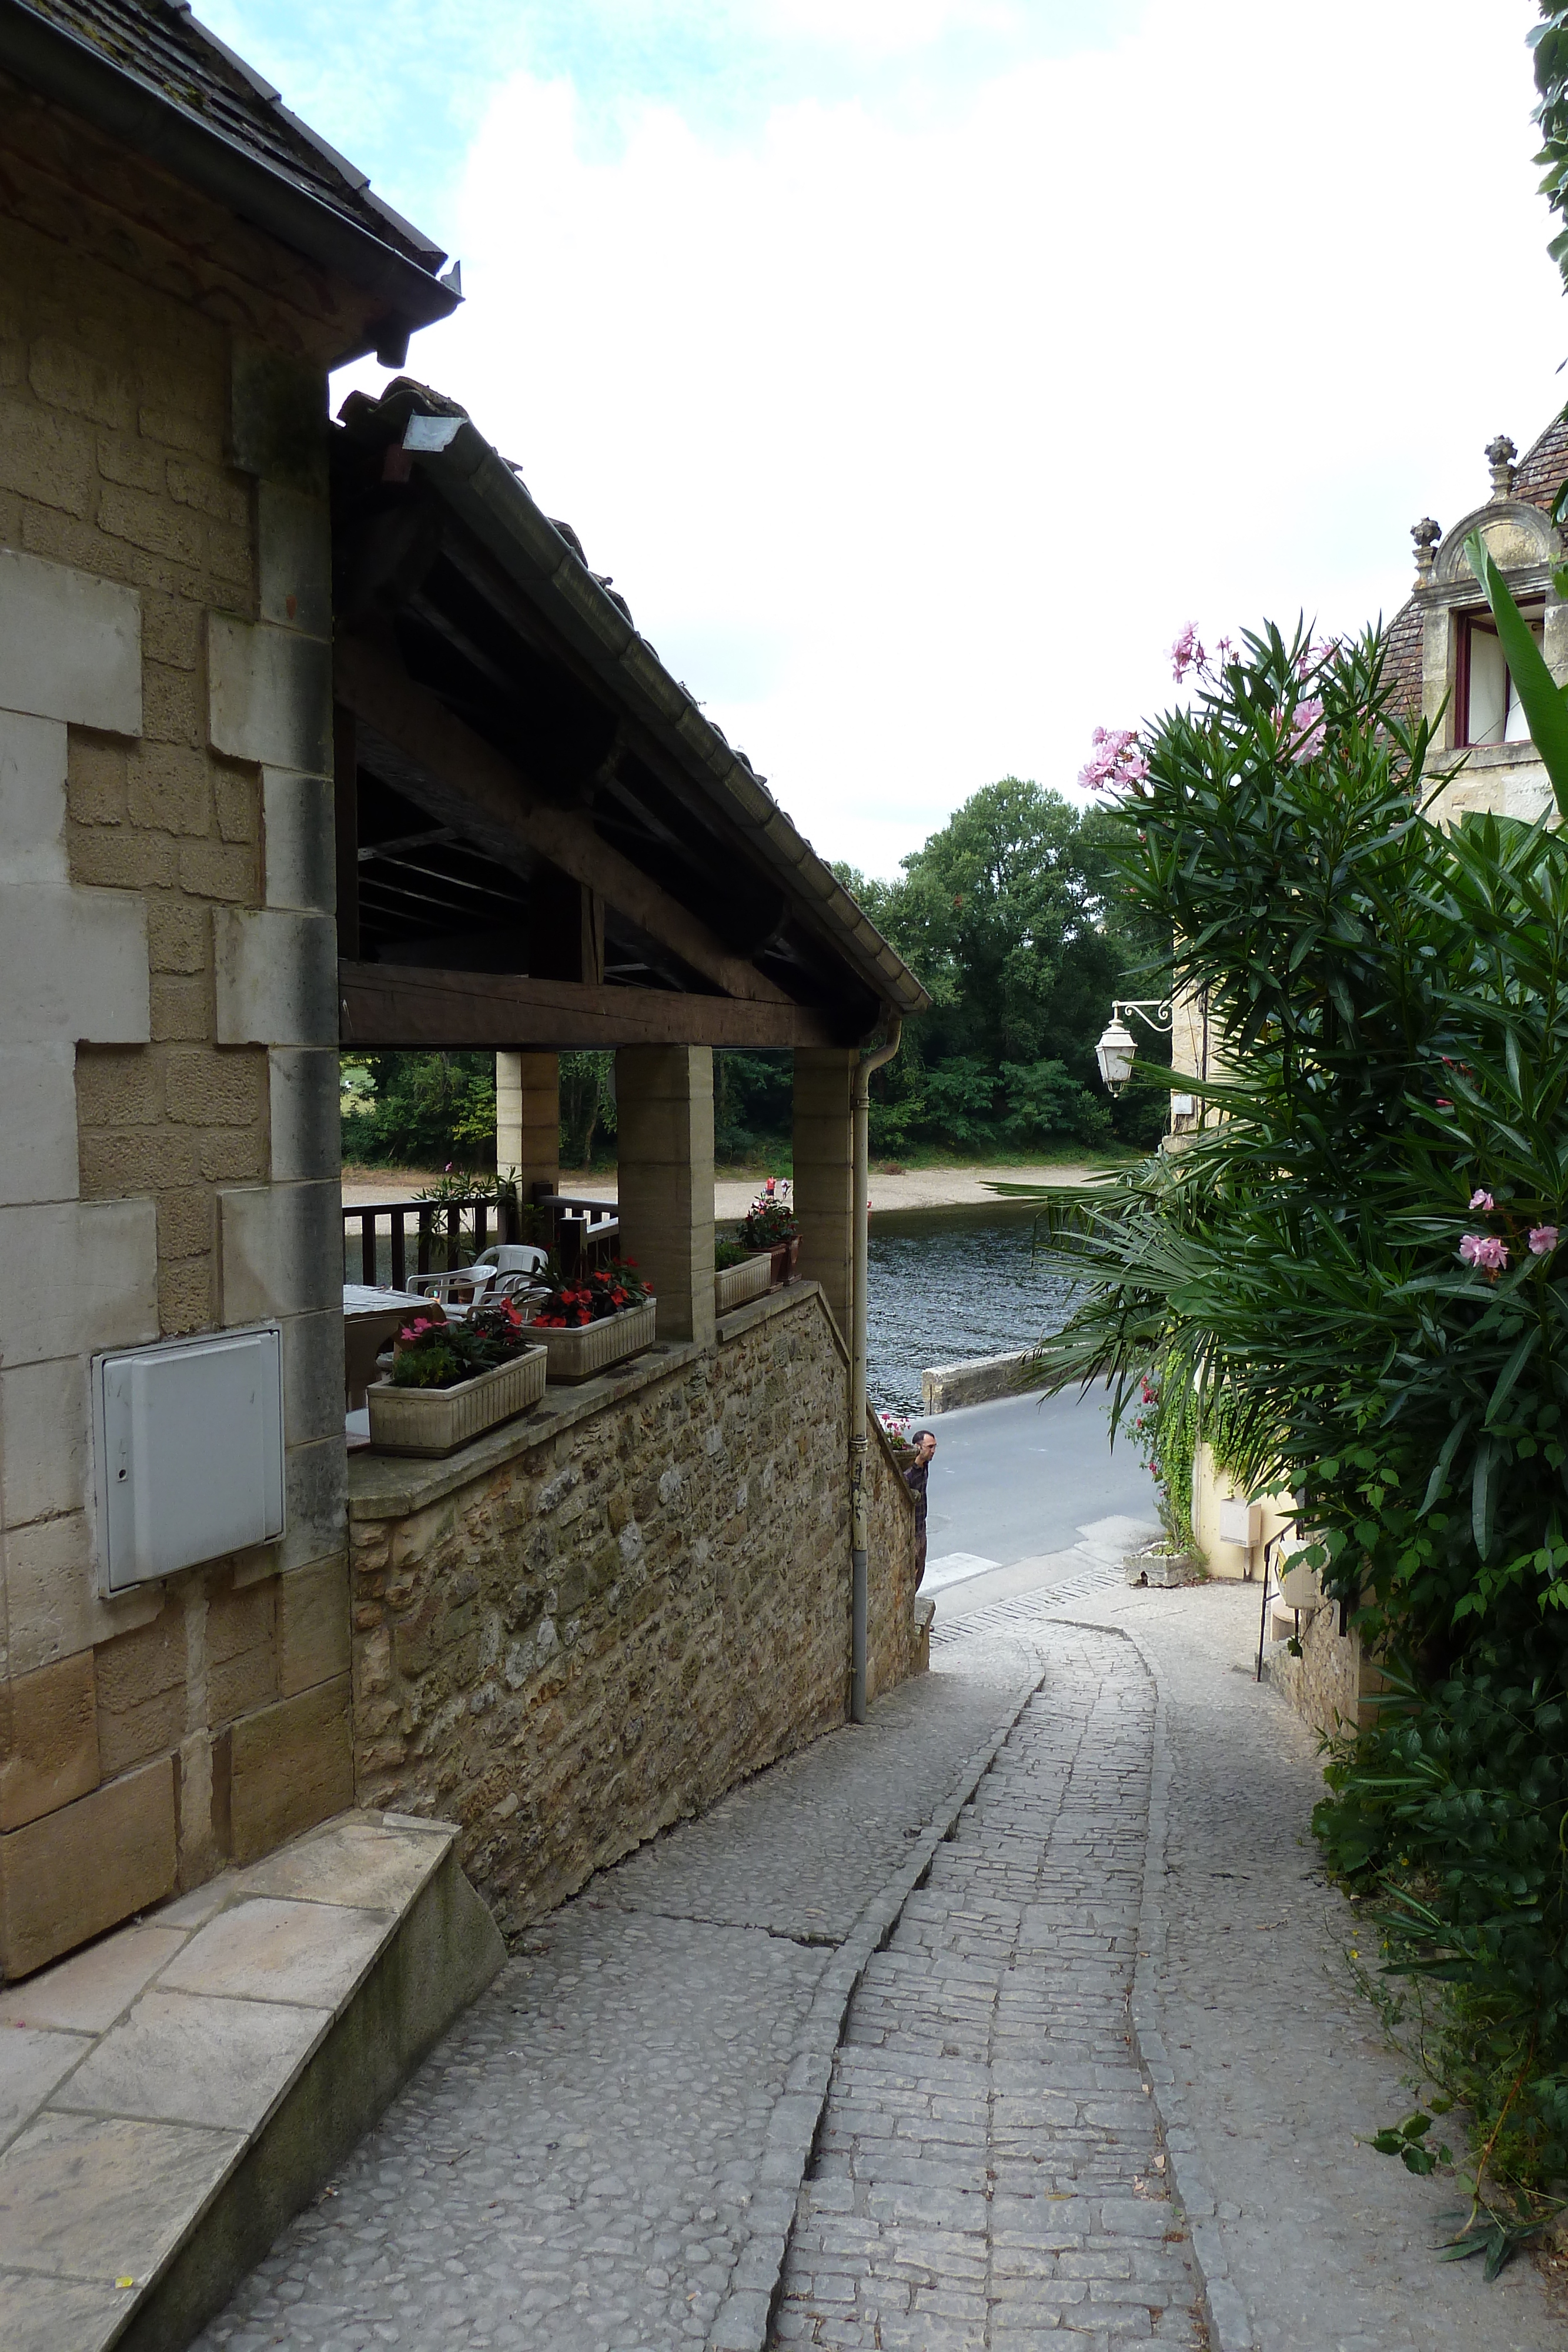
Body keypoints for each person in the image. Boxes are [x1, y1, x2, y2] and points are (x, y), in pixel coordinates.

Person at [903, 1426, 937, 1588]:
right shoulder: (909, 1474)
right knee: (912, 1572)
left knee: (920, 1570)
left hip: (921, 1527)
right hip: (912, 1531)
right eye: (930, 1447)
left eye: (934, 1447)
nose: (933, 1451)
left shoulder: (925, 1465)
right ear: (918, 1447)